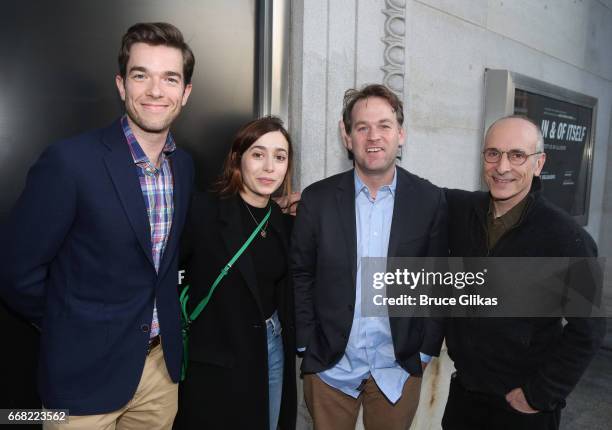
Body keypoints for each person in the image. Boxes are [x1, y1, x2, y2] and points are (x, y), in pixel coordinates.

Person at [0, 22, 195, 429]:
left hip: (160, 375)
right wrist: (73, 326)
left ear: (185, 93)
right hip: (81, 381)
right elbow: (15, 270)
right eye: (141, 75)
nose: (156, 91)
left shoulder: (184, 165)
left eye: (169, 78)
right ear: (122, 85)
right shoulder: (69, 163)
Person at [291, 84, 448, 430]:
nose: (373, 136)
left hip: (398, 367)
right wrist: (305, 344)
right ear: (347, 137)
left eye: (384, 125)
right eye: (361, 127)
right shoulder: (317, 200)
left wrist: (424, 352)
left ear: (401, 134)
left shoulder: (429, 200)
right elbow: (300, 273)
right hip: (331, 366)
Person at [443, 115, 607, 430]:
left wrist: (540, 395)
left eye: (517, 155)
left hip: (521, 407)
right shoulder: (462, 210)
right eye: (493, 153)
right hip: (465, 396)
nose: (502, 167)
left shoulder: (568, 237)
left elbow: (589, 330)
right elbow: (412, 193)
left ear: (539, 163)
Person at [176, 116, 297, 430]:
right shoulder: (203, 211)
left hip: (271, 349)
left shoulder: (282, 222)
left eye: (279, 157)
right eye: (258, 154)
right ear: (237, 159)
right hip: (217, 356)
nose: (270, 167)